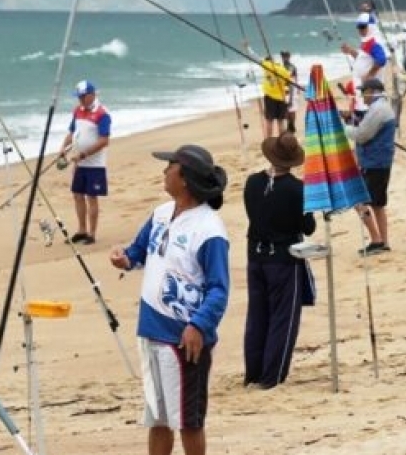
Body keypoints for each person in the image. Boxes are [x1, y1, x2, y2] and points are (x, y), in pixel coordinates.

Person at [109, 144, 229, 455]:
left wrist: (198, 326)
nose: (164, 171)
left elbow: (219, 289)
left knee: (189, 422)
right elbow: (139, 250)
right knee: (157, 419)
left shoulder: (209, 230)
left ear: (185, 178)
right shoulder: (161, 214)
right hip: (150, 331)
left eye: (170, 166)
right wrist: (125, 258)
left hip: (183, 339)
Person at [243, 132, 316, 389]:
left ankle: (253, 371)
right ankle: (271, 375)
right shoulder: (297, 190)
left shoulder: (252, 183)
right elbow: (308, 227)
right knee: (282, 319)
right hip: (283, 258)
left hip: (256, 255)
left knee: (258, 316)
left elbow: (253, 214)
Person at [345, 78, 396, 256]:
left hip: (374, 163)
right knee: (378, 204)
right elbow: (367, 124)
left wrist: (343, 128)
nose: (361, 95)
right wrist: (351, 118)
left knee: (358, 200)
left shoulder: (378, 109)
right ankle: (384, 242)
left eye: (364, 91)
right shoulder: (381, 107)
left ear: (372, 91)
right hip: (380, 162)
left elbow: (362, 135)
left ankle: (376, 240)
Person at [58, 80, 111, 245]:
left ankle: (92, 233)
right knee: (77, 195)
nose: (80, 100)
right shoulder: (77, 111)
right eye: (78, 97)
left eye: (82, 97)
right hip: (79, 164)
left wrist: (84, 154)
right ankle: (81, 230)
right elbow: (72, 132)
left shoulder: (102, 114)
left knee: (92, 197)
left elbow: (104, 141)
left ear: (91, 95)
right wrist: (63, 147)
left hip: (95, 164)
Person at [340, 13, 388, 116]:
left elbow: (381, 59)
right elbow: (363, 60)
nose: (360, 30)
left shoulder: (374, 42)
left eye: (362, 27)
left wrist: (370, 75)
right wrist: (350, 51)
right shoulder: (367, 41)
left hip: (370, 94)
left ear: (370, 26)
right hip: (362, 94)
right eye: (358, 27)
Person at [260, 55, 291, 139]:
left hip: (270, 97)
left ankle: (269, 140)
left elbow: (256, 58)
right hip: (281, 97)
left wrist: (248, 49)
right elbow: (288, 83)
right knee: (280, 121)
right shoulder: (283, 69)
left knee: (269, 120)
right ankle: (282, 140)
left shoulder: (267, 65)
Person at [280, 50, 299, 133]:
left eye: (285, 56)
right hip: (284, 89)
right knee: (286, 110)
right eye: (283, 56)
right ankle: (289, 125)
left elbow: (294, 79)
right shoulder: (280, 67)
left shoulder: (292, 67)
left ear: (288, 57)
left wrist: (296, 90)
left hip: (291, 89)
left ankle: (292, 125)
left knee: (292, 109)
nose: (284, 58)